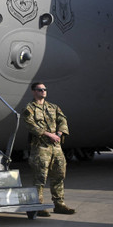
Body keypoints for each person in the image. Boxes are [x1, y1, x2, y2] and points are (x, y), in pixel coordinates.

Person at [23, 82, 76, 216]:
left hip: (56, 147)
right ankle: (38, 206)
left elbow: (63, 120)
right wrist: (48, 134)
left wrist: (59, 133)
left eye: (44, 89)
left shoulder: (53, 107)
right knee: (40, 177)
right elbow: (31, 125)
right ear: (34, 92)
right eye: (40, 90)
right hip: (41, 147)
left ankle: (59, 204)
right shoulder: (29, 108)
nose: (43, 92)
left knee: (59, 175)